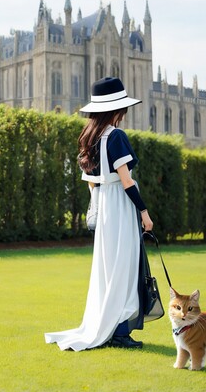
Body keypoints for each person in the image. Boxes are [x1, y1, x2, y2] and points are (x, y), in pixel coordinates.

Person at [45, 76, 153, 351]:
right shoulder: (115, 137)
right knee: (124, 267)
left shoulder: (89, 136)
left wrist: (98, 203)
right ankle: (118, 332)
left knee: (109, 268)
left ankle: (114, 328)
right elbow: (126, 180)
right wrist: (144, 211)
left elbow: (91, 181)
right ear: (117, 110)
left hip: (103, 204)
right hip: (118, 205)